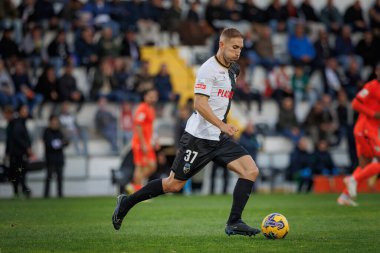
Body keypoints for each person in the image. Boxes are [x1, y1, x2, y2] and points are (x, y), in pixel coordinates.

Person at [112, 28, 260, 237]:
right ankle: (126, 203)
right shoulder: (208, 69)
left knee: (250, 170)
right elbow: (199, 104)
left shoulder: (233, 70)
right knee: (173, 185)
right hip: (198, 138)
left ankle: (234, 222)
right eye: (234, 47)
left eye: (241, 48)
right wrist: (222, 125)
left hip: (218, 138)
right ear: (221, 44)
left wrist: (221, 128)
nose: (238, 52)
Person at [337, 63, 380, 205]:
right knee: (377, 162)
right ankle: (352, 180)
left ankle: (344, 197)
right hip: (365, 129)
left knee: (364, 165)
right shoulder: (371, 87)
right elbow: (355, 104)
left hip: (370, 130)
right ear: (376, 71)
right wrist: (373, 114)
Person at [127, 89, 158, 193]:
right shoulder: (142, 108)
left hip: (147, 142)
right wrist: (143, 143)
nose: (153, 98)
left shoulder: (151, 109)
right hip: (140, 142)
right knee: (140, 166)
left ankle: (133, 185)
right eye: (150, 96)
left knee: (152, 166)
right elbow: (138, 126)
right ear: (145, 97)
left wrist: (154, 140)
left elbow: (150, 127)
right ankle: (137, 189)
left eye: (154, 96)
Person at [43, 115, 69, 198]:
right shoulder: (47, 132)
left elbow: (66, 142)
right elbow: (50, 145)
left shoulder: (59, 132)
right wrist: (60, 143)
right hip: (50, 159)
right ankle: (46, 195)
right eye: (53, 121)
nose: (55, 123)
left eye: (56, 121)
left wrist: (59, 143)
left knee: (60, 178)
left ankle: (60, 195)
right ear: (50, 122)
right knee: (49, 178)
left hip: (59, 158)